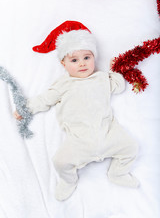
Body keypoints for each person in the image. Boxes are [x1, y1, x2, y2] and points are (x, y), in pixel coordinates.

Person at [14, 21, 139, 201]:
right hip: (80, 141)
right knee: (60, 162)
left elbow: (119, 87)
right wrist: (25, 108)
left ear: (94, 58)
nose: (82, 63)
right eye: (74, 60)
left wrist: (114, 71)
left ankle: (118, 173)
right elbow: (44, 100)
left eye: (87, 57)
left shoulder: (102, 78)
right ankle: (68, 181)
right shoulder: (63, 84)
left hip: (109, 133)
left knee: (131, 148)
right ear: (63, 64)